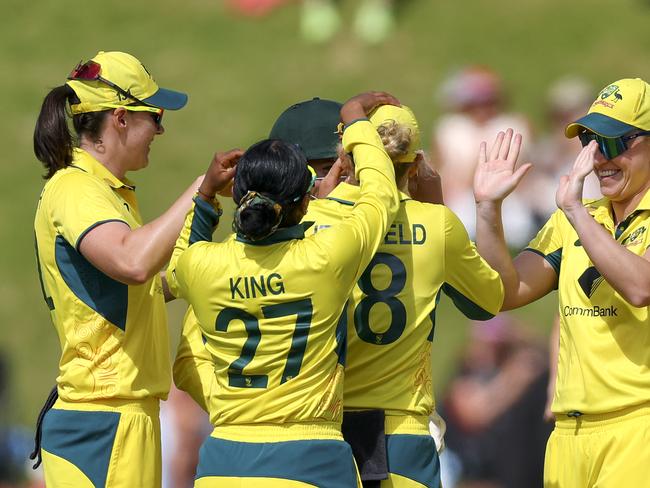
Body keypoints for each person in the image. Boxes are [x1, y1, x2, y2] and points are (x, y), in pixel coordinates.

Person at [166, 91, 401, 487]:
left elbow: (177, 269)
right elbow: (382, 196)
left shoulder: (201, 266)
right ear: (305, 201)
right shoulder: (326, 256)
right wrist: (357, 121)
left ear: (239, 194)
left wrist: (205, 196)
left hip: (225, 459)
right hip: (310, 458)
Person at [302, 103, 504, 487]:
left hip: (324, 424)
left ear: (345, 159)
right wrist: (437, 207)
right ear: (416, 166)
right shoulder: (437, 223)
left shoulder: (316, 220)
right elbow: (488, 301)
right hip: (402, 428)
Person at [31, 50, 208, 487]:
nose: (161, 130)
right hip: (102, 419)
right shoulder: (75, 187)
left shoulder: (110, 193)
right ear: (121, 117)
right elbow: (132, 262)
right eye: (156, 115)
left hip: (121, 416)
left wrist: (208, 237)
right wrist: (199, 190)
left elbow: (137, 289)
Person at [473, 78, 650, 487]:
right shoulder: (573, 220)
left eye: (613, 143)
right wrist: (488, 209)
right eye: (589, 141)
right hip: (568, 434)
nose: (597, 158)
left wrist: (576, 211)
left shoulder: (576, 217)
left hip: (636, 425)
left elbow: (640, 287)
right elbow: (504, 291)